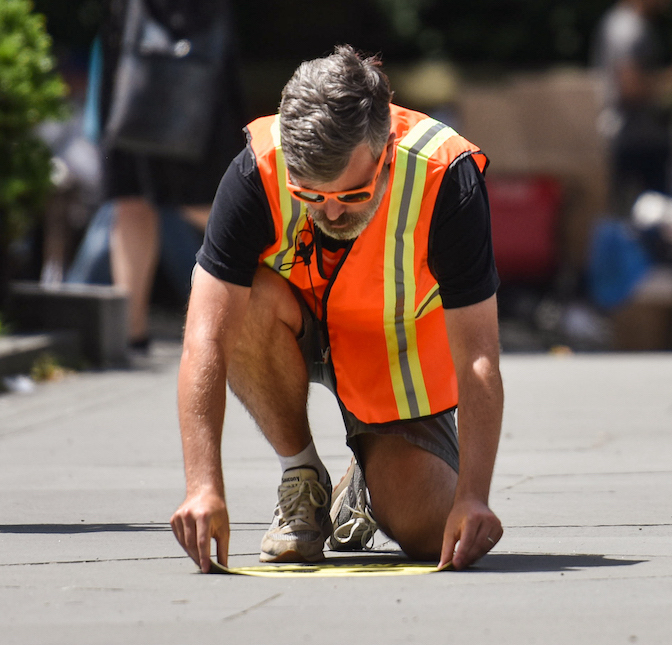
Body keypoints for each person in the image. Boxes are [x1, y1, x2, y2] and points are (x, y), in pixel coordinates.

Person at [169, 46, 504, 573]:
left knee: (434, 532)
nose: (329, 212)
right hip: (289, 323)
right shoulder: (256, 168)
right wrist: (202, 486)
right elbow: (205, 336)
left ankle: (367, 485)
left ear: (385, 151)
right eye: (310, 194)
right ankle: (302, 476)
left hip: (396, 351)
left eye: (352, 194)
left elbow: (480, 353)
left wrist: (474, 497)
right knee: (239, 300)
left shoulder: (446, 176)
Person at [97, 0, 244, 350]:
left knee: (201, 199)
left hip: (194, 53)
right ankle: (129, 334)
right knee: (130, 198)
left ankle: (286, 280)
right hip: (134, 52)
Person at [592, 0, 672, 214]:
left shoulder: (628, 24)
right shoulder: (628, 29)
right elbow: (631, 89)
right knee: (638, 219)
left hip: (639, 138)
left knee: (639, 216)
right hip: (636, 141)